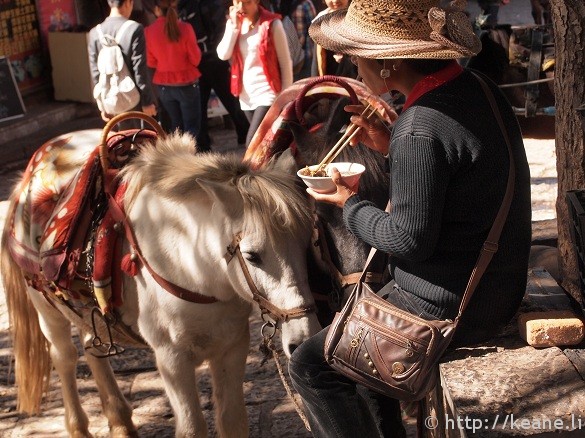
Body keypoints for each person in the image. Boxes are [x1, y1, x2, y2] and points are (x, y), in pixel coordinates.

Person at [288, 0, 532, 436]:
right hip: (498, 282)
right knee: (359, 361)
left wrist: (347, 203)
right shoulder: (477, 87)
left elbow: (407, 241)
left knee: (311, 366)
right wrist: (389, 146)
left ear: (389, 64)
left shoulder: (419, 126)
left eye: (355, 56)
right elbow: (460, 171)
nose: (352, 66)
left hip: (453, 304)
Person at [217, 0, 293, 147]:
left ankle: (251, 170)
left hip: (269, 93)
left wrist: (285, 98)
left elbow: (285, 62)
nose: (241, 7)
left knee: (251, 143)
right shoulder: (234, 24)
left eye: (247, 2)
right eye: (238, 2)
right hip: (246, 95)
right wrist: (233, 27)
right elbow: (223, 54)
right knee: (265, 145)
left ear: (257, 2)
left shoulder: (272, 24)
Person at [178, 0, 250, 151]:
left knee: (201, 104)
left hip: (196, 60)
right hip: (215, 60)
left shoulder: (184, 6)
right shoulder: (211, 4)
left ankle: (203, 144)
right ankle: (244, 133)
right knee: (230, 99)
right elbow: (219, 29)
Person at [88, 0, 157, 129]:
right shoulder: (134, 28)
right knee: (140, 142)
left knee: (119, 143)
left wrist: (102, 104)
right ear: (127, 3)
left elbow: (95, 72)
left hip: (111, 102)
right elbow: (139, 70)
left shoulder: (94, 33)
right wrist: (147, 102)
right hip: (133, 100)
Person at [145, 0, 202, 139]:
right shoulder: (185, 28)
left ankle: (176, 158)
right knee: (192, 126)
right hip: (187, 82)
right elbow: (196, 59)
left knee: (175, 125)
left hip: (164, 85)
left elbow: (151, 62)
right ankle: (190, 157)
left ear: (157, 9)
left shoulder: (148, 31)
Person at [311, 0, 357, 78]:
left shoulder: (356, 18)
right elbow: (317, 57)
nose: (335, 1)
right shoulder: (320, 21)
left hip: (352, 69)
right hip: (329, 69)